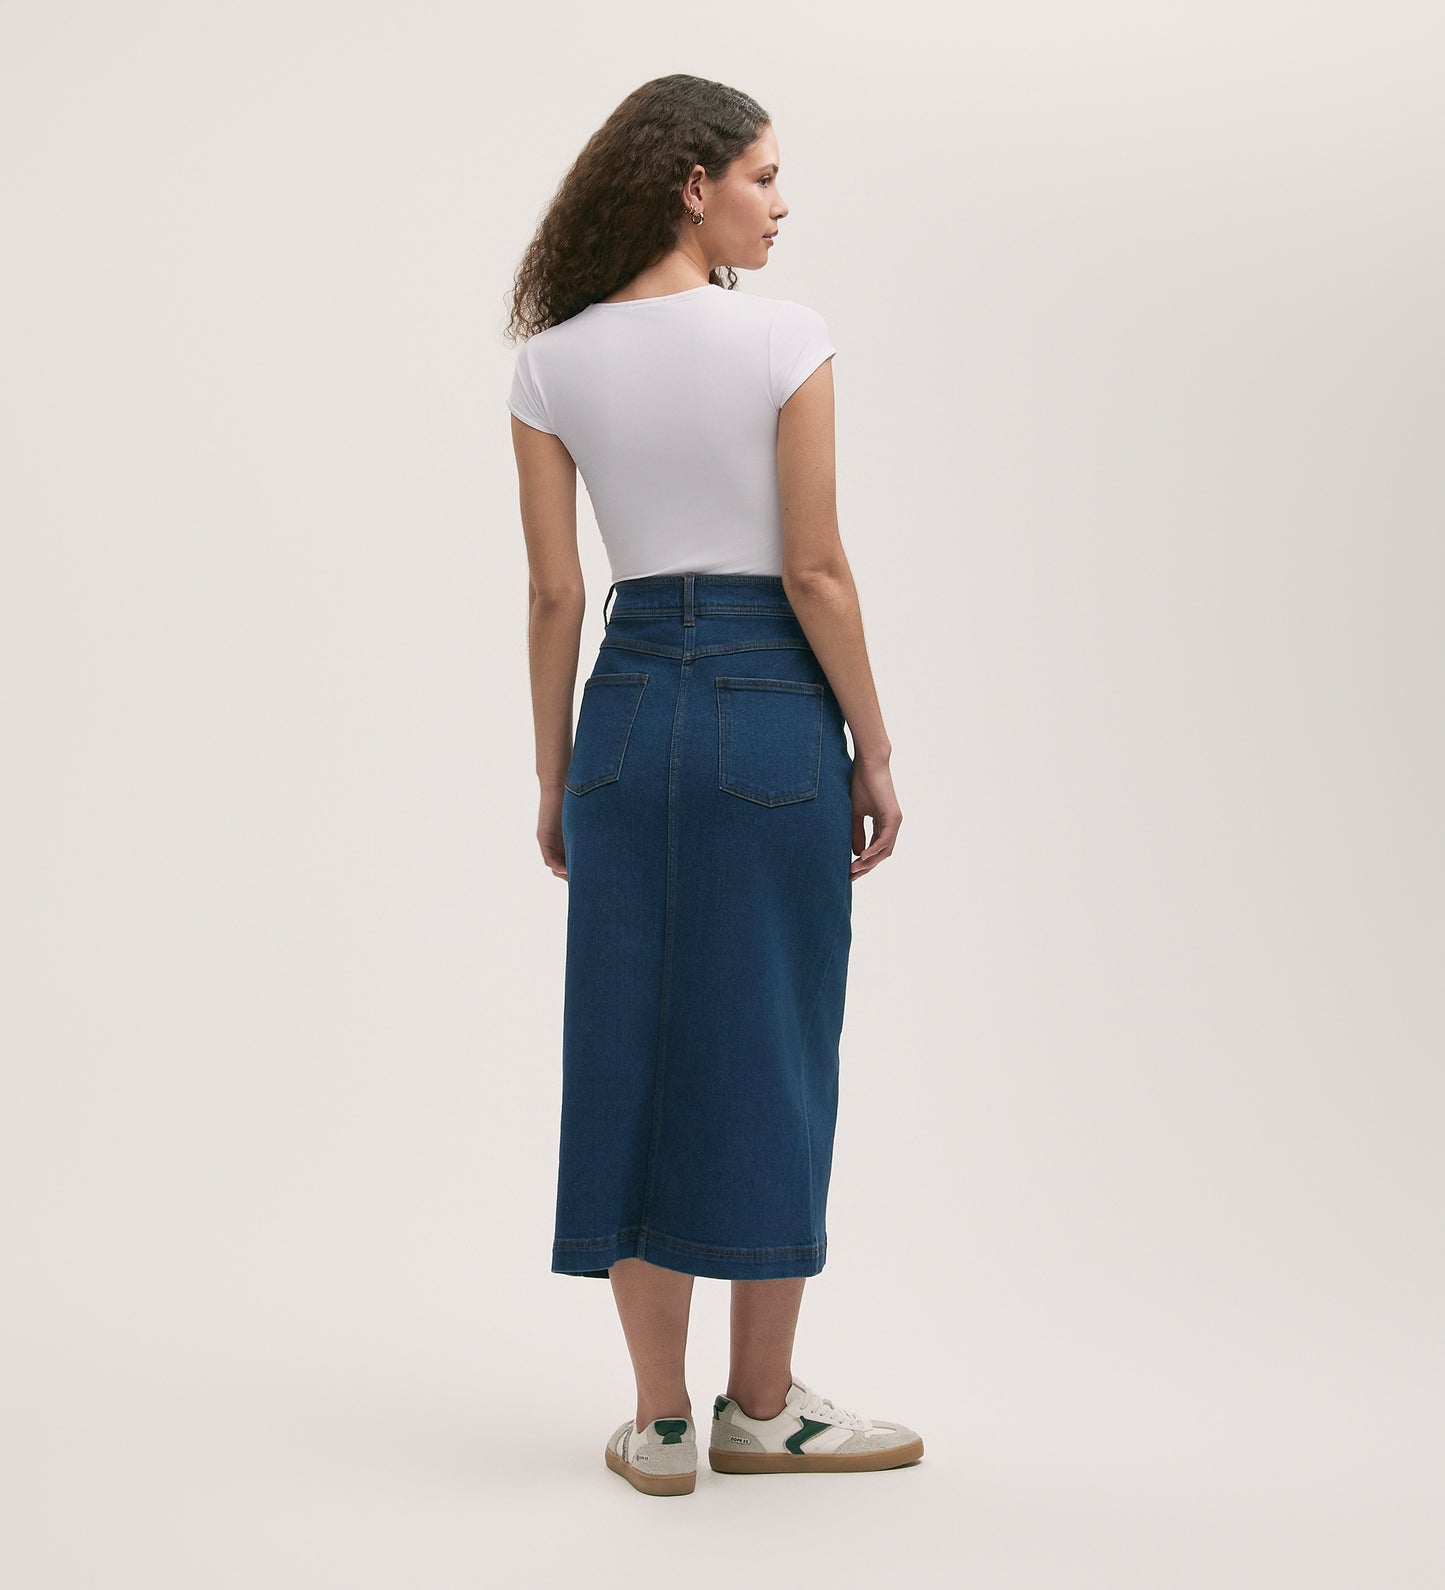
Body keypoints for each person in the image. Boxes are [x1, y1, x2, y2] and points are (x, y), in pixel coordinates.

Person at [505, 74, 918, 1495]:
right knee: (772, 1040)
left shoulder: (549, 362)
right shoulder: (783, 338)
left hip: (624, 708)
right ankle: (761, 1406)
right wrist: (872, 742)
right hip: (769, 705)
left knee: (627, 1042)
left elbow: (556, 596)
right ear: (693, 184)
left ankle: (660, 1422)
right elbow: (815, 569)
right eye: (763, 174)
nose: (780, 203)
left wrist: (556, 774)